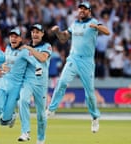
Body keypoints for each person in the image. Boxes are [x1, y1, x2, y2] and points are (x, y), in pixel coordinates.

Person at [46, 2, 110, 133]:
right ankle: (51, 109)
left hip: (86, 61)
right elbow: (64, 38)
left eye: (84, 9)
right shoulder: (74, 24)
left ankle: (95, 118)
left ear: (89, 11)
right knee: (62, 82)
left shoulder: (93, 21)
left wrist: (96, 27)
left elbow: (107, 32)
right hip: (73, 58)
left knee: (90, 92)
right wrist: (58, 31)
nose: (81, 11)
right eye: (80, 9)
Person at [0, 28, 43, 144]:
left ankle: (10, 116)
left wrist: (38, 70)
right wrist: (0, 65)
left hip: (15, 87)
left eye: (16, 36)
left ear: (20, 38)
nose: (13, 38)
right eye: (11, 36)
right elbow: (1, 60)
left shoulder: (24, 52)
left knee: (4, 120)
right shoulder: (7, 48)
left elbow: (36, 63)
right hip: (2, 83)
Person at [18, 24, 52, 144]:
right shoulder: (25, 48)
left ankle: (41, 139)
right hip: (28, 81)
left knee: (41, 115)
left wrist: (30, 49)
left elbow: (42, 58)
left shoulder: (47, 46)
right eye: (33, 32)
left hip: (41, 83)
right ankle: (25, 131)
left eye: (38, 32)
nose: (35, 34)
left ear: (42, 34)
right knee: (22, 100)